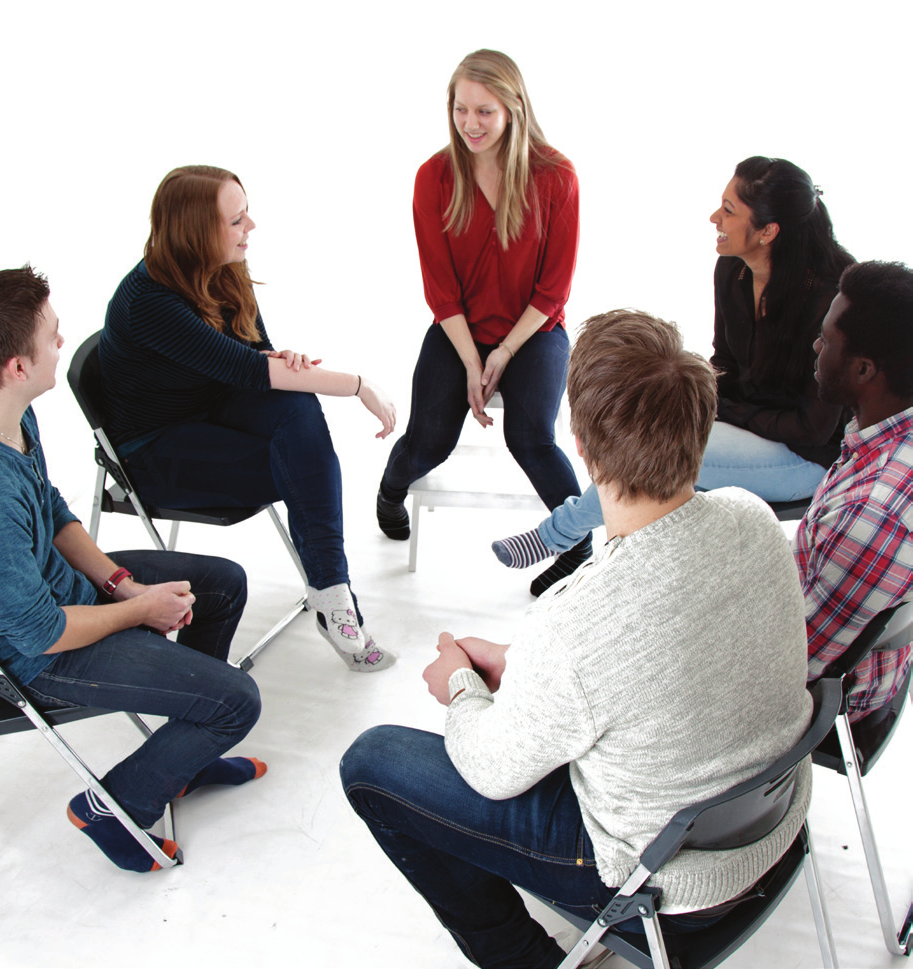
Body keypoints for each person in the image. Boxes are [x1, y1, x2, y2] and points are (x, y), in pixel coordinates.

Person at [343, 309, 813, 968]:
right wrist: (522, 667)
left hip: (660, 877)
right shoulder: (754, 520)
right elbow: (646, 663)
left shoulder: (574, 620)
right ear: (703, 428)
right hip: (768, 830)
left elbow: (491, 769)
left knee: (371, 763)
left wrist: (460, 686)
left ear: (583, 451)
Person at [0, 267, 264, 873]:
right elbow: (38, 634)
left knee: (222, 585)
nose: (62, 344)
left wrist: (122, 585)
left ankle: (182, 760)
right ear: (18, 366)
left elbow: (52, 507)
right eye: (52, 337)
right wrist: (140, 611)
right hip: (42, 656)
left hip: (63, 599)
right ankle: (113, 806)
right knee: (237, 703)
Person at [492, 156, 855, 577]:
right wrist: (701, 403)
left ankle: (562, 536)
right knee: (651, 432)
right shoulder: (733, 271)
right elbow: (725, 364)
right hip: (747, 429)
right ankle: (596, 560)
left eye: (730, 211)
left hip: (805, 458)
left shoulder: (828, 297)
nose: (714, 217)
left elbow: (812, 428)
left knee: (662, 455)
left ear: (768, 232)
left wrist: (719, 409)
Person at [100, 165, 395, 672]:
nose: (251, 227)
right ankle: (335, 599)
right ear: (197, 232)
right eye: (236, 220)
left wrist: (285, 362)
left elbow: (258, 356)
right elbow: (249, 369)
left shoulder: (224, 268)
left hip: (211, 409)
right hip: (155, 454)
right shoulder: (148, 302)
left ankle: (330, 594)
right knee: (303, 463)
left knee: (298, 409)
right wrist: (360, 385)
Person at [375, 49, 585, 597]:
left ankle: (579, 547)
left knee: (531, 437)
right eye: (461, 109)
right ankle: (389, 490)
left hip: (534, 330)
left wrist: (504, 353)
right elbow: (439, 288)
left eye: (484, 111)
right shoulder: (434, 177)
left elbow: (553, 289)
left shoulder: (556, 176)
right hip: (458, 328)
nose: (470, 124)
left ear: (514, 108)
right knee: (429, 442)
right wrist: (472, 357)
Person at [797, 260, 913, 720]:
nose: (816, 345)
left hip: (825, 698)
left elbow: (789, 667)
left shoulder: (874, 514)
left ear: (864, 370)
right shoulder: (883, 435)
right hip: (828, 631)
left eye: (827, 339)